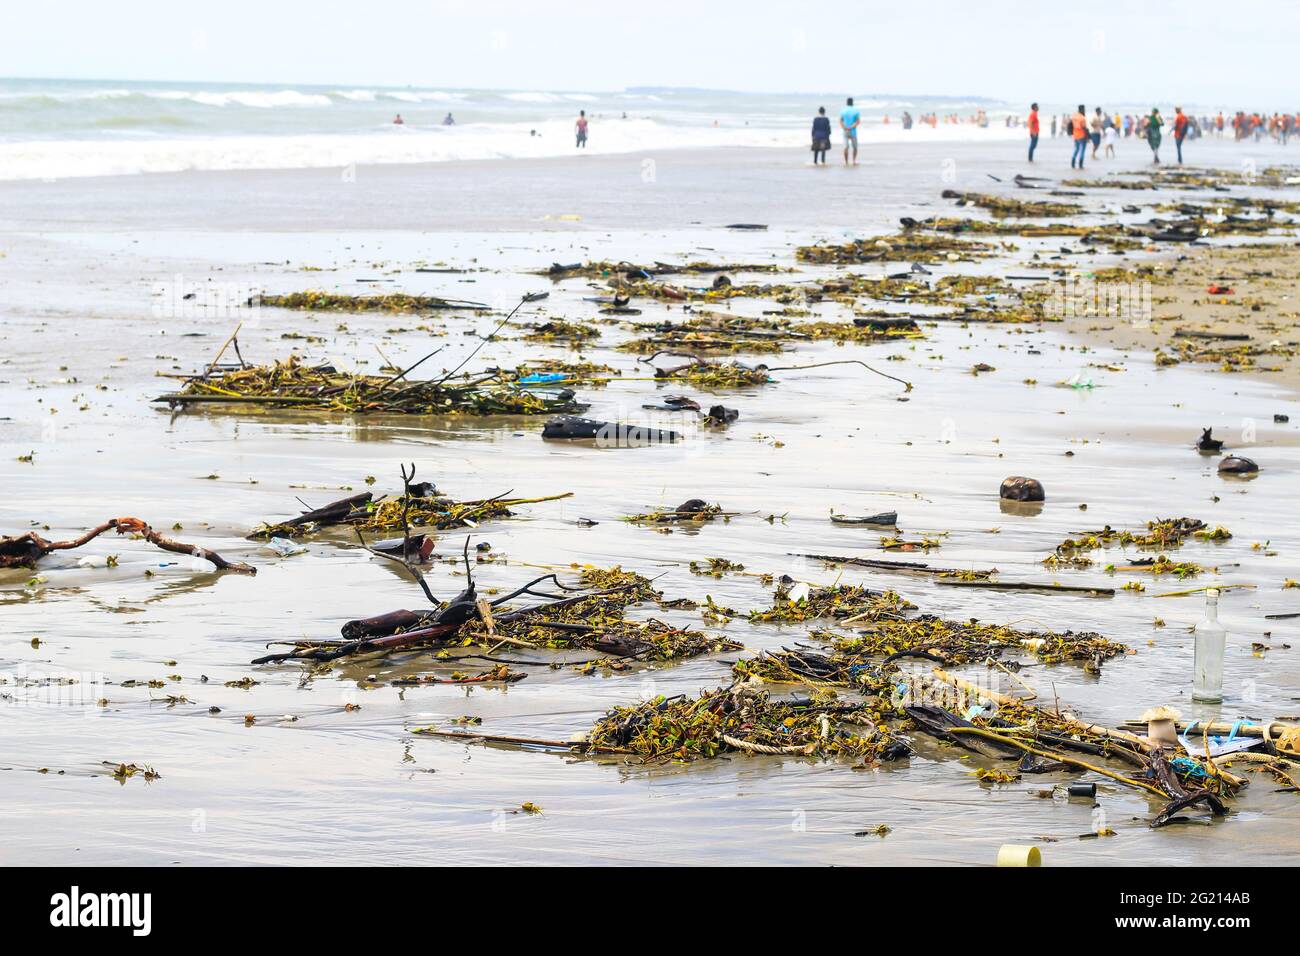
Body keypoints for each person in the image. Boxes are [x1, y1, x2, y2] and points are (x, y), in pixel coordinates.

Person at [839, 97, 860, 165]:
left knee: (846, 147)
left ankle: (846, 161)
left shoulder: (843, 111)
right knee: (855, 147)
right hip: (853, 131)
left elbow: (840, 121)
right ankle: (853, 161)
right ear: (852, 103)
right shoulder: (856, 111)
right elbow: (858, 122)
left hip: (845, 131)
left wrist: (845, 128)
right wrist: (850, 127)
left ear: (846, 103)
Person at [1070, 104, 1088, 169]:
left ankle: (1073, 163)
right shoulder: (1082, 118)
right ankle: (1080, 165)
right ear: (1082, 109)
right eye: (1084, 109)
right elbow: (1084, 128)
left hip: (1075, 135)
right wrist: (1087, 137)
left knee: (1076, 149)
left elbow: (1071, 125)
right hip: (1082, 135)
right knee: (1082, 150)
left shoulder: (1074, 116)